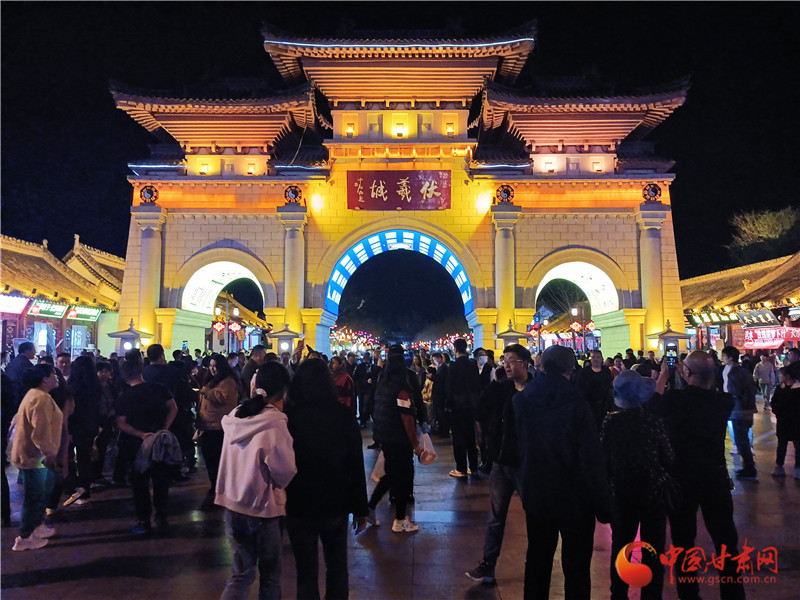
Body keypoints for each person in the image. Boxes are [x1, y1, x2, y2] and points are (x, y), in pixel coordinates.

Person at [513, 344, 612, 600]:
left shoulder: (522, 400)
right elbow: (590, 457)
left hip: (537, 492)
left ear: (542, 366)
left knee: (538, 558)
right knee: (577, 566)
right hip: (575, 497)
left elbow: (518, 448)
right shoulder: (578, 402)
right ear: (571, 368)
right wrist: (602, 501)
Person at [648, 351, 746, 600]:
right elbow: (708, 392)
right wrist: (693, 374)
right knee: (726, 539)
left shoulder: (675, 399)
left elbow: (652, 407)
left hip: (682, 478)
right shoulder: (723, 401)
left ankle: (689, 594)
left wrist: (664, 375)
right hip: (714, 477)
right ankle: (733, 594)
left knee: (683, 542)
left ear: (687, 372)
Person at [285, 359, 368, 599]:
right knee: (337, 565)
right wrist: (361, 508)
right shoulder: (343, 415)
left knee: (305, 570)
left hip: (298, 503)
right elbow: (355, 463)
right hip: (335, 501)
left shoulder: (288, 418)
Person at [215, 362, 297, 600]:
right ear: (283, 390)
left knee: (240, 575)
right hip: (263, 510)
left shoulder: (236, 416)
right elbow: (285, 471)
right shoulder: (275, 423)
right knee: (269, 577)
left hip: (232, 505)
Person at [602, 370, 674, 600]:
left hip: (621, 492)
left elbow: (604, 457)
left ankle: (618, 595)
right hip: (652, 491)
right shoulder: (652, 421)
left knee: (621, 547)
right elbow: (668, 456)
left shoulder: (611, 422)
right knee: (653, 549)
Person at [466, 344, 532, 584]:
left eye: (511, 360)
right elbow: (480, 410)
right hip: (501, 463)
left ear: (525, 363)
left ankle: (536, 562)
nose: (506, 364)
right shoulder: (503, 388)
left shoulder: (536, 390)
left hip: (525, 464)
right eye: (504, 360)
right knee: (495, 517)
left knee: (534, 514)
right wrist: (495, 383)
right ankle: (488, 564)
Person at [116, 360, 178, 534]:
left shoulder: (125, 396)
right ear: (141, 371)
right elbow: (173, 408)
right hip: (160, 441)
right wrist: (164, 428)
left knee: (139, 483)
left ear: (124, 376)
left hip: (136, 443)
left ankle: (144, 520)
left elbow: (121, 423)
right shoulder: (160, 388)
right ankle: (161, 515)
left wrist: (140, 434)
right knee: (161, 480)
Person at [368, 348, 423, 533]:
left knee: (391, 475)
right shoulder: (402, 389)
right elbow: (407, 419)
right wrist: (415, 443)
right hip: (400, 439)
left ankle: (371, 507)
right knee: (401, 479)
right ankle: (399, 520)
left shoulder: (383, 385)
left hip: (386, 436)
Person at [8, 364, 63, 550]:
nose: (56, 377)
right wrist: (49, 453)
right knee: (34, 497)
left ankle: (37, 526)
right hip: (34, 457)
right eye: (53, 374)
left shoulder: (36, 394)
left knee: (41, 492)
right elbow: (40, 431)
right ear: (45, 379)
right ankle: (24, 537)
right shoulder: (41, 398)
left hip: (32, 455)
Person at [198, 353, 240, 511]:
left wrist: (207, 393)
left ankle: (218, 488)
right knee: (210, 459)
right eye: (210, 366)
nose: (212, 369)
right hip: (207, 425)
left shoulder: (228, 381)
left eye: (215, 366)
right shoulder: (212, 380)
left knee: (217, 459)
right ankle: (214, 485)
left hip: (219, 426)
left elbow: (225, 398)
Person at [64, 355, 102, 505]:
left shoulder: (72, 386)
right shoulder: (95, 385)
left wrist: (68, 430)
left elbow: (70, 411)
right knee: (84, 458)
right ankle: (84, 489)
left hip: (74, 426)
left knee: (68, 457)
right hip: (89, 425)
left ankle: (71, 487)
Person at [721, 346, 758, 480]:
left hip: (738, 410)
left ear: (730, 358)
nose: (722, 358)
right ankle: (748, 467)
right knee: (743, 439)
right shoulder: (743, 371)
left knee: (740, 440)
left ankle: (749, 469)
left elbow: (734, 392)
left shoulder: (733, 373)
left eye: (724, 356)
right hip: (746, 409)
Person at [447, 338, 480, 478]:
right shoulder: (472, 365)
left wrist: (448, 405)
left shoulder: (453, 366)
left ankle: (461, 468)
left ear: (455, 349)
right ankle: (474, 467)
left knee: (459, 438)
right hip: (471, 405)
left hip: (457, 406)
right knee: (471, 437)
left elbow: (449, 388)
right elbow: (477, 385)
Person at [770, 362, 800, 478]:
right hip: (785, 421)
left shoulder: (789, 390)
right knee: (784, 444)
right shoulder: (781, 388)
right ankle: (781, 466)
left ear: (787, 376)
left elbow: (776, 403)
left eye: (781, 375)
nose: (779, 377)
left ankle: (793, 467)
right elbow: (774, 403)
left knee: (793, 444)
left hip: (792, 421)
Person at [575, 349, 614, 433]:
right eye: (593, 357)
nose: (596, 359)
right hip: (588, 404)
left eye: (598, 357)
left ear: (602, 359)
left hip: (603, 404)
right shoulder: (584, 372)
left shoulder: (606, 371)